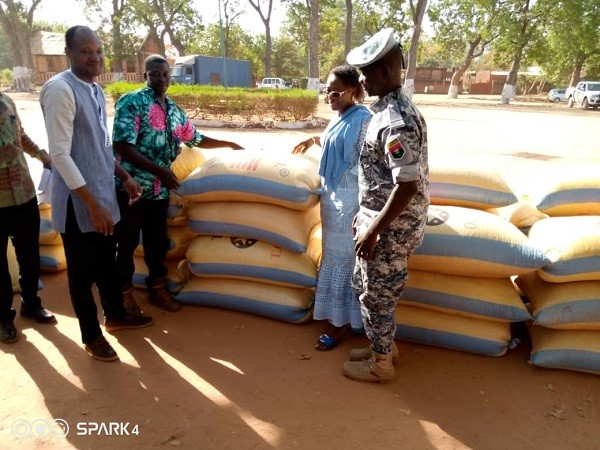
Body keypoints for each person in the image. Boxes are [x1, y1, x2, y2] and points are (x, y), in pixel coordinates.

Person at [40, 25, 154, 362]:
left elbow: (100, 147)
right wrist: (91, 204)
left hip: (103, 196)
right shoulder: (61, 90)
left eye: (99, 51)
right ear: (69, 54)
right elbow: (60, 154)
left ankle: (115, 316)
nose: (95, 57)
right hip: (80, 204)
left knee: (105, 263)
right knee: (81, 272)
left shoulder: (93, 89)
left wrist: (124, 176)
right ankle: (91, 336)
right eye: (86, 51)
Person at [112, 54, 243, 314]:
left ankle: (157, 288)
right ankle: (124, 295)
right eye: (154, 74)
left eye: (164, 74)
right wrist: (159, 170)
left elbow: (195, 138)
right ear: (145, 76)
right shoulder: (132, 102)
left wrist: (227, 143)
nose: (160, 79)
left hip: (160, 190)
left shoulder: (173, 110)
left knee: (156, 241)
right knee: (126, 243)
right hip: (132, 187)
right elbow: (122, 146)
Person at [342, 28, 430, 382]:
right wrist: (363, 217)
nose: (363, 79)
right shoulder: (383, 111)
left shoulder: (396, 121)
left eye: (369, 71)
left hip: (390, 230)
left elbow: (407, 185)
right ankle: (384, 345)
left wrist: (373, 230)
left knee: (377, 295)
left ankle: (381, 365)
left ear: (390, 68)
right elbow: (380, 177)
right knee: (368, 288)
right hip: (380, 222)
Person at [292, 65, 372, 351]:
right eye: (327, 90)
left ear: (353, 91)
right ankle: (340, 316)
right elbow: (332, 142)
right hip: (333, 198)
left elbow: (368, 164)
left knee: (346, 262)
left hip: (351, 201)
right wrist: (314, 140)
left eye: (336, 91)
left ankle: (341, 324)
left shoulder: (364, 120)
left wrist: (364, 210)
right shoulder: (340, 117)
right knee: (335, 258)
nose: (330, 96)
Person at [0, 92, 56, 344]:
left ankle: (31, 304)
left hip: (23, 192)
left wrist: (42, 155)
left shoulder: (7, 101)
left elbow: (20, 136)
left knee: (29, 255)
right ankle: (3, 318)